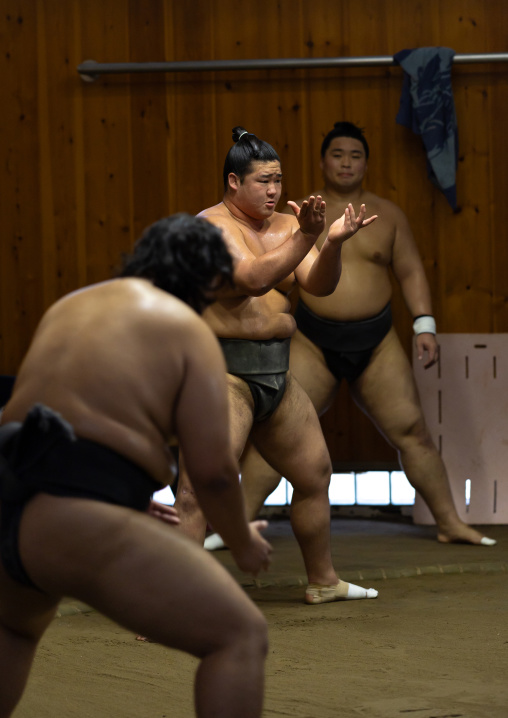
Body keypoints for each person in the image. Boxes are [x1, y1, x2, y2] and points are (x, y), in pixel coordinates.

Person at [0, 214, 273, 718]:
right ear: (211, 281)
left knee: (14, 630)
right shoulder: (186, 329)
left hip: (12, 492)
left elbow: (39, 422)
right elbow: (213, 471)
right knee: (240, 634)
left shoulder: (69, 306)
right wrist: (241, 542)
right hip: (69, 513)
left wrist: (115, 495)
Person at [213, 121, 495, 548]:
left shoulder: (387, 215)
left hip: (376, 341)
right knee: (275, 439)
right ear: (322, 162)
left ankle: (450, 521)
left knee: (412, 431)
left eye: (355, 155)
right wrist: (312, 234)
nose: (346, 163)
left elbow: (410, 272)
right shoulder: (300, 213)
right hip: (313, 341)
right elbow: (260, 278)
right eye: (337, 155)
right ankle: (231, 528)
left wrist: (424, 324)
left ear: (366, 164)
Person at [174, 126, 380, 605]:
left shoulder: (287, 226)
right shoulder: (210, 228)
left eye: (278, 180)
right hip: (221, 375)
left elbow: (318, 286)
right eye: (263, 181)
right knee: (198, 490)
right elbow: (250, 278)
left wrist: (331, 243)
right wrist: (307, 235)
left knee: (314, 475)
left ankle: (323, 580)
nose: (273, 190)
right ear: (234, 182)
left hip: (274, 374)